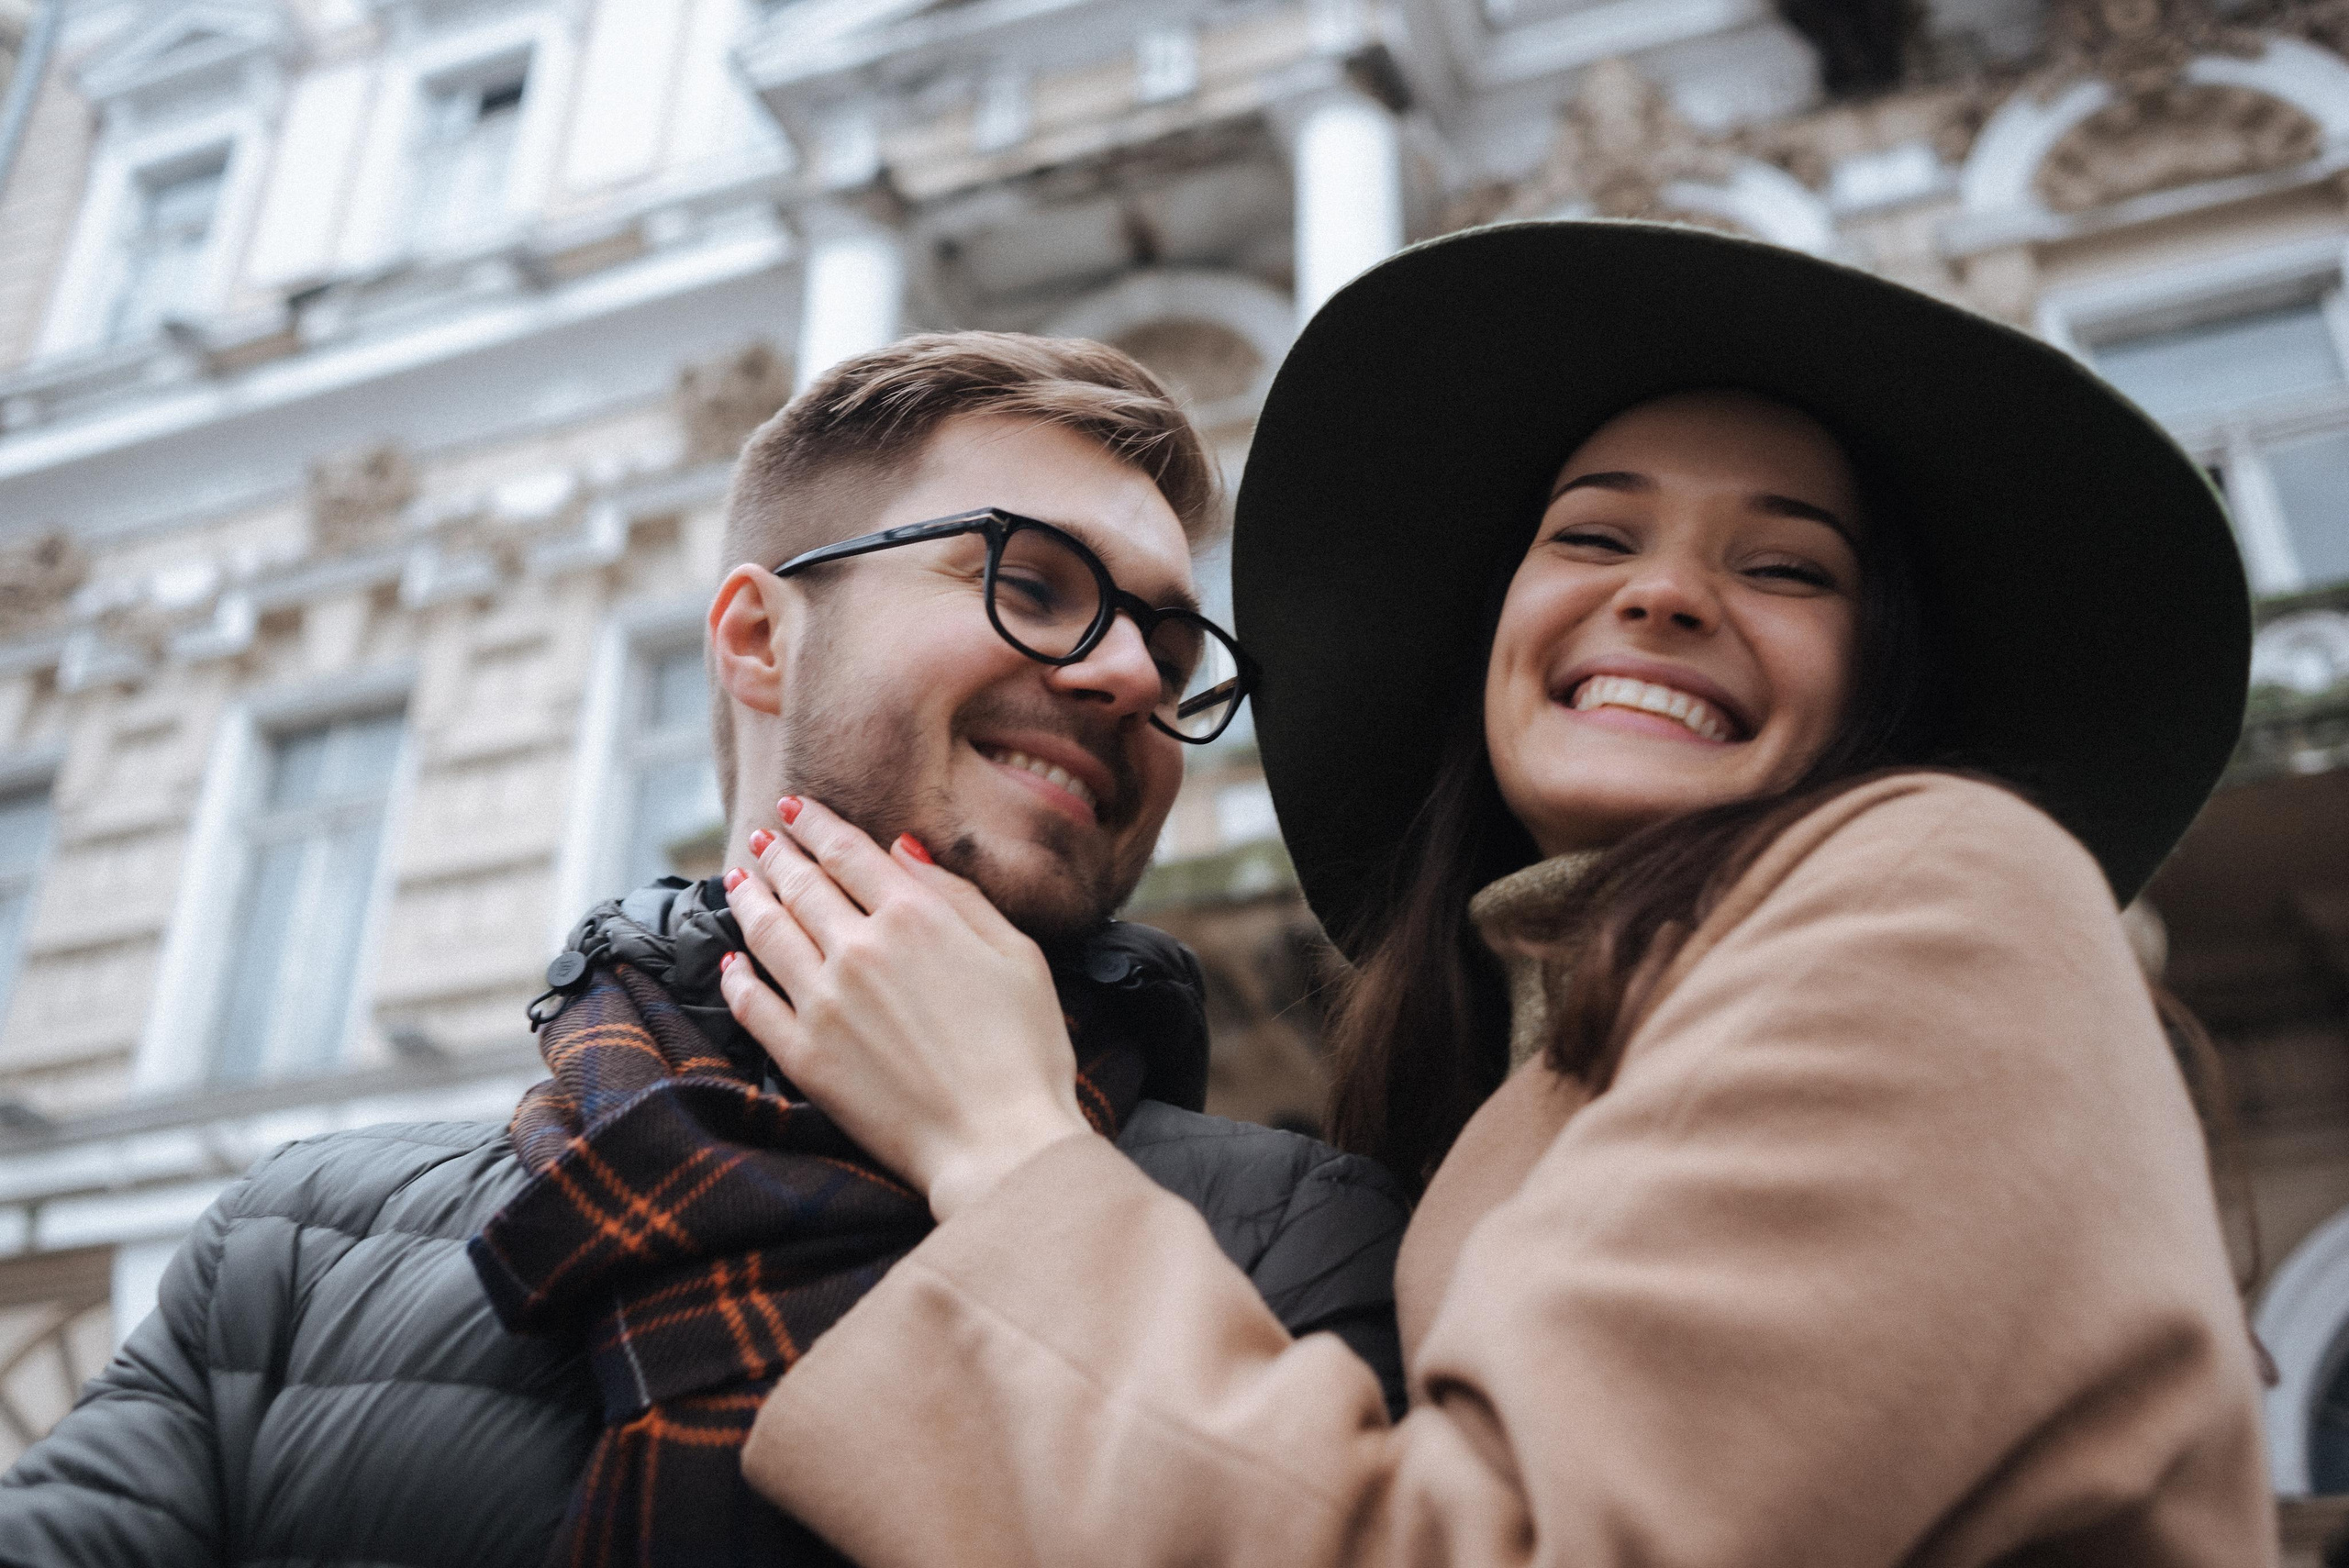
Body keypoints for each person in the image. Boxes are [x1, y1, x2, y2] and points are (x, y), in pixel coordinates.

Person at [710, 223, 2277, 1566]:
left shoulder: (1952, 883)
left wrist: (1001, 1134)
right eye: (1592, 532)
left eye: (1788, 566)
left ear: (1885, 672)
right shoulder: (1512, 1079)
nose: (1663, 590)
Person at [0, 333, 1409, 1567]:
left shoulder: (1308, 1233)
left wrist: (1010, 1149)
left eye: (1172, 653)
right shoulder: (295, 1250)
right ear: (755, 638)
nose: (1126, 677)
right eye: (1029, 584)